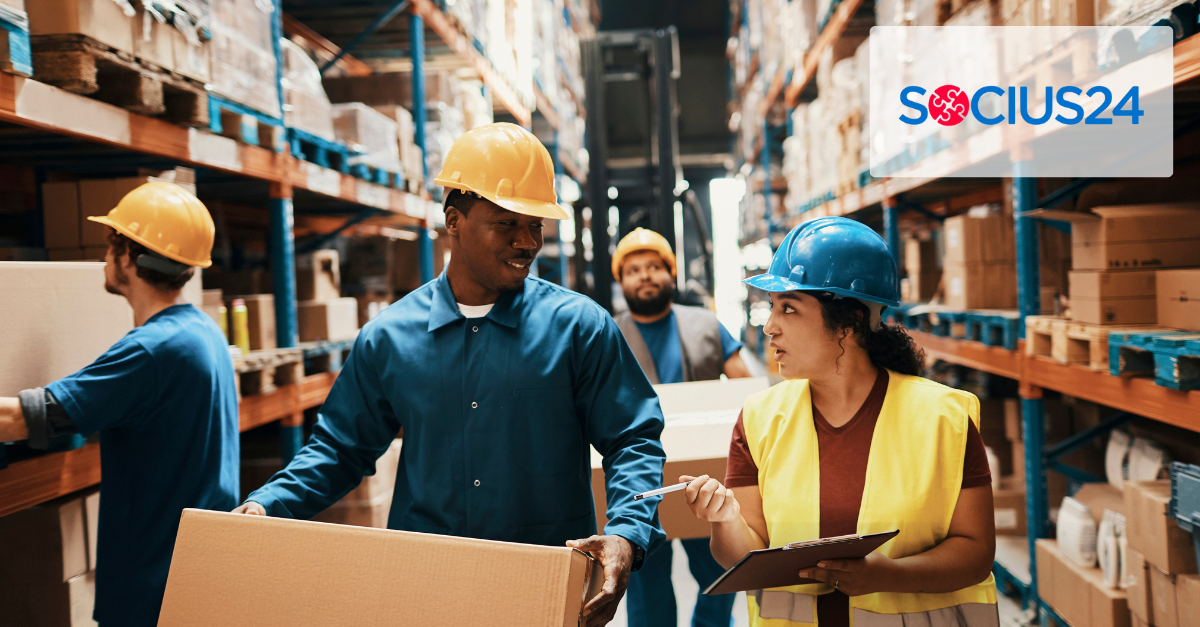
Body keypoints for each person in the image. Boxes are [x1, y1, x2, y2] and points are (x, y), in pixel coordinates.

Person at [232, 123, 667, 627]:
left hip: (547, 579)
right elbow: (339, 448)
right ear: (454, 220)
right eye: (507, 223)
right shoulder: (391, 338)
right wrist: (268, 505)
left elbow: (633, 437)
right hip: (428, 583)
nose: (527, 242)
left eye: (536, 226)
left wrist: (627, 532)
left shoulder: (578, 328)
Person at [682, 217, 999, 626]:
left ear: (847, 323)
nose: (769, 326)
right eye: (772, 308)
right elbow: (744, 555)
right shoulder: (760, 419)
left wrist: (889, 575)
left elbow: (975, 552)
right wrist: (724, 521)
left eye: (788, 309)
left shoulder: (944, 419)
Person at [0, 183, 239, 627]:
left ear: (130, 257)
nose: (105, 259)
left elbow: (20, 419)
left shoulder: (153, 350)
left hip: (151, 589)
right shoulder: (202, 332)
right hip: (193, 574)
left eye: (111, 245)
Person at [611, 227, 751, 627]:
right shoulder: (607, 332)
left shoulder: (705, 325)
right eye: (634, 269)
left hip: (701, 481)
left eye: (654, 266)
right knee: (645, 584)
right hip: (638, 482)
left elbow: (745, 390)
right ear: (621, 281)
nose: (645, 276)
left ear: (671, 274)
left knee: (719, 576)